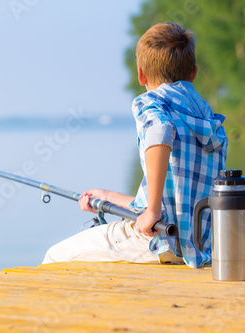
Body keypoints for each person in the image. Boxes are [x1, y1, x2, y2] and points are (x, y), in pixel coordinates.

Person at [42, 22, 228, 268]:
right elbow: (173, 200)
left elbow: (159, 133)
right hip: (202, 245)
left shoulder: (152, 104)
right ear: (193, 73)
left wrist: (151, 212)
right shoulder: (207, 119)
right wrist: (107, 196)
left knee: (54, 256)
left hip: (157, 241)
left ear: (141, 74)